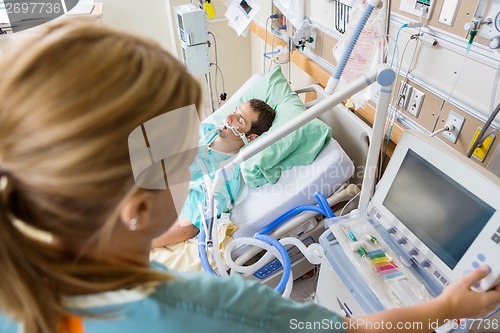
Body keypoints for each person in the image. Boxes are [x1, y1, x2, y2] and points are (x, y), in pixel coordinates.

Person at [0, 19, 498, 333]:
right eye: (180, 159)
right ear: (135, 208)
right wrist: (442, 310)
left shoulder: (20, 286)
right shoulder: (213, 310)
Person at [151, 98, 275, 248]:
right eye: (235, 111)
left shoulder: (229, 175)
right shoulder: (204, 130)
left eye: (239, 119)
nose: (229, 117)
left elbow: (193, 222)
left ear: (250, 137)